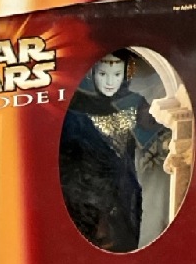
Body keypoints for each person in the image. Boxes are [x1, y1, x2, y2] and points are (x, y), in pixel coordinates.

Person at [59, 51, 171, 252]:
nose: (110, 82)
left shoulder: (138, 102)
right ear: (92, 73)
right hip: (87, 194)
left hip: (129, 190)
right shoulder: (73, 110)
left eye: (117, 74)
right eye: (103, 74)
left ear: (126, 73)